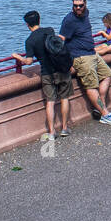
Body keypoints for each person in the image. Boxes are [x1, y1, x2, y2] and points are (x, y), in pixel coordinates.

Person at [59, 0, 111, 126]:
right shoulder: (69, 20)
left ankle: (101, 105)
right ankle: (105, 114)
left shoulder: (85, 14)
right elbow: (61, 40)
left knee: (108, 75)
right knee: (91, 86)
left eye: (81, 5)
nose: (78, 8)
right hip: (81, 57)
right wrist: (64, 60)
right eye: (75, 6)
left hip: (92, 53)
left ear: (85, 4)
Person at [11, 10, 72, 140]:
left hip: (46, 73)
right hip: (61, 68)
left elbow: (28, 61)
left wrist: (17, 57)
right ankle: (65, 128)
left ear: (27, 25)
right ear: (39, 20)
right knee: (64, 98)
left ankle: (51, 132)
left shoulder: (30, 41)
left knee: (50, 102)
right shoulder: (49, 30)